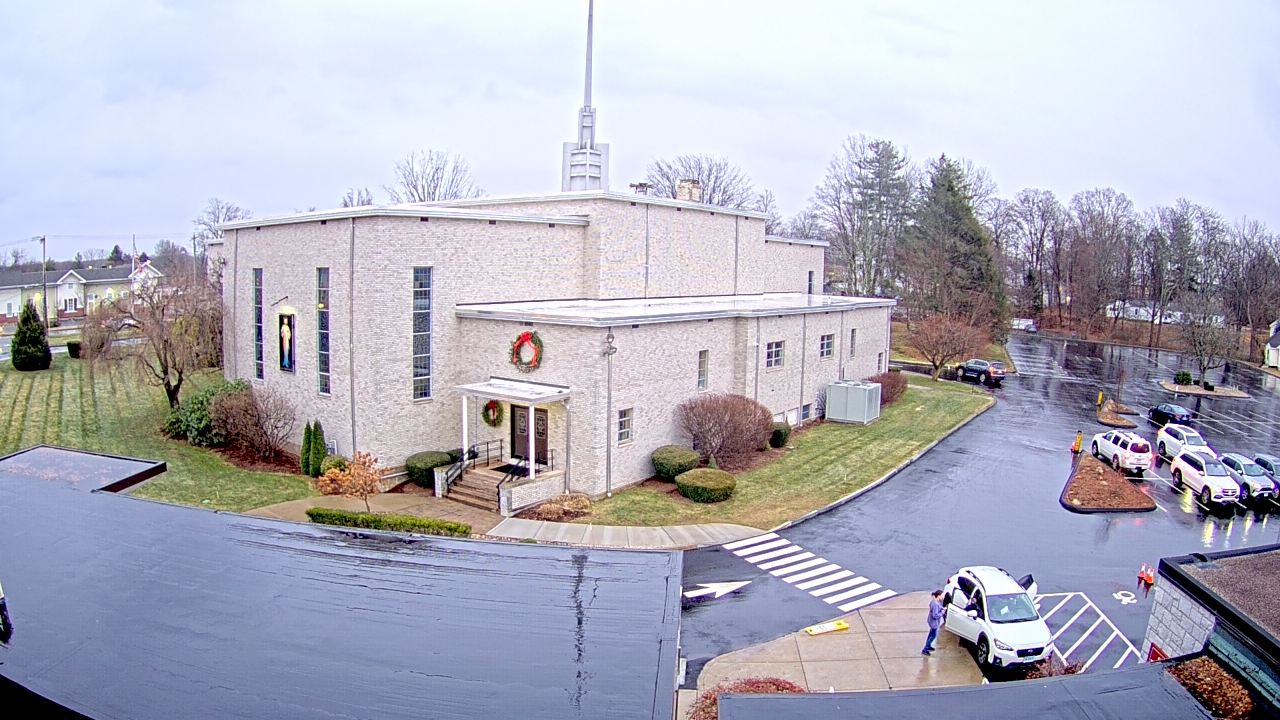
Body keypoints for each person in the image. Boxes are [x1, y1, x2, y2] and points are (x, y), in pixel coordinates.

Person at [922, 589, 944, 655]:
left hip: (931, 621)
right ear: (938, 596)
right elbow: (935, 615)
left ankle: (928, 646)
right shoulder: (936, 604)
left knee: (931, 634)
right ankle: (925, 649)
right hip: (934, 622)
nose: (943, 597)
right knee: (933, 635)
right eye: (942, 595)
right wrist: (942, 612)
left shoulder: (935, 602)